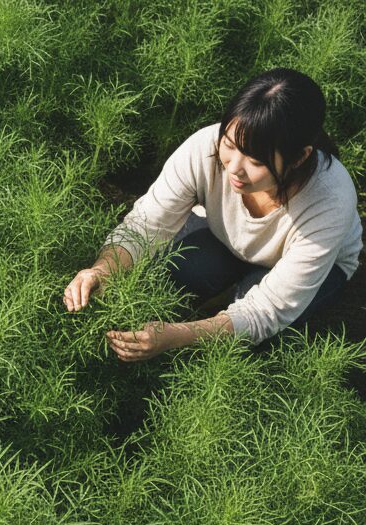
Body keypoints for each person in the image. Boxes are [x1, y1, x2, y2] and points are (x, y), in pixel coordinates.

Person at [62, 68, 362, 362]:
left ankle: (231, 298)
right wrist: (102, 270)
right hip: (226, 238)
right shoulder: (203, 147)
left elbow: (267, 311)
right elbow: (146, 224)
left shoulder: (330, 199)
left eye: (256, 161)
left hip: (310, 265)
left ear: (299, 157)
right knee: (171, 277)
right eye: (229, 145)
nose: (234, 168)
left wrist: (176, 336)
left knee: (254, 338)